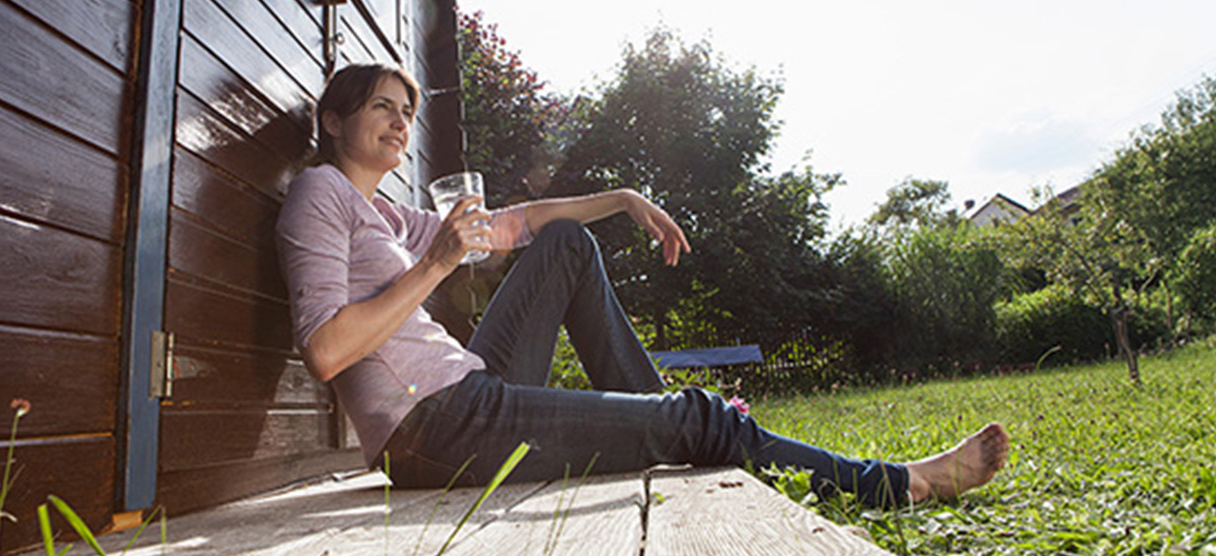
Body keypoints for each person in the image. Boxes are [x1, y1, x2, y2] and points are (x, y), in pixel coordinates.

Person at [276, 63, 1009, 508]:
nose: (401, 124)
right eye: (383, 107)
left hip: (465, 393)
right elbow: (326, 351)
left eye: (407, 112)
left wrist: (623, 198)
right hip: (435, 429)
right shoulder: (319, 194)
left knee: (564, 242)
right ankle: (897, 483)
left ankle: (678, 421)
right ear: (334, 120)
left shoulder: (379, 210)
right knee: (698, 417)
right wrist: (436, 265)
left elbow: (513, 225)